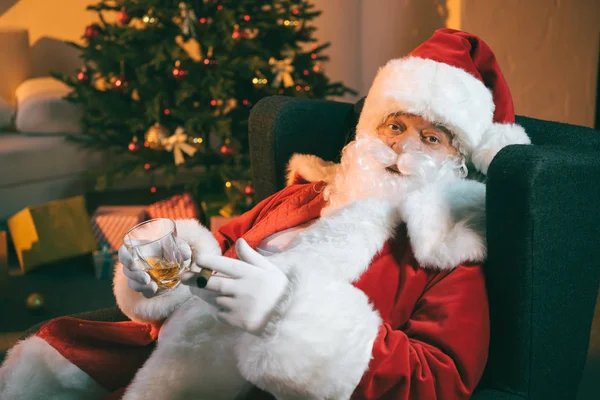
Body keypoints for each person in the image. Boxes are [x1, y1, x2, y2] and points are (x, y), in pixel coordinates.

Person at [0, 28, 530, 400]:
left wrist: (285, 315)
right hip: (167, 356)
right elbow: (220, 244)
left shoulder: (448, 249)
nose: (400, 146)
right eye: (394, 125)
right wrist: (166, 261)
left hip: (258, 389)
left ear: (458, 164)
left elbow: (439, 380)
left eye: (430, 137)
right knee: (43, 366)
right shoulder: (308, 194)